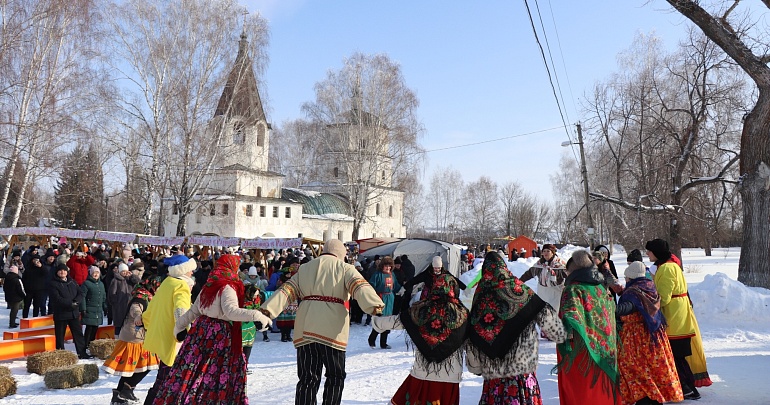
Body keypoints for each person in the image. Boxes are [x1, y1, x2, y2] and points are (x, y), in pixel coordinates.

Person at [260, 239, 384, 405]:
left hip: (306, 328)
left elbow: (286, 291)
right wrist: (374, 305)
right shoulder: (345, 268)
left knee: (307, 378)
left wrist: (268, 310)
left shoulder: (305, 268)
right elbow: (360, 287)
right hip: (332, 331)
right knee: (335, 376)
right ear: (341, 254)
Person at [151, 255, 272, 404]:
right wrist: (257, 315)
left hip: (200, 332)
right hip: (219, 336)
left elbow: (193, 311)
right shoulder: (227, 287)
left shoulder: (209, 285)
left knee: (195, 371)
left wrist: (179, 327)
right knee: (213, 373)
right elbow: (231, 312)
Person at [466, 251, 566, 404]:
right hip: (523, 368)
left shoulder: (481, 297)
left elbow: (474, 335)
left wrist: (475, 366)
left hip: (494, 373)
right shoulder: (521, 290)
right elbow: (549, 320)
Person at [373, 274, 469, 405]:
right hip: (450, 376)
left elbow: (398, 321)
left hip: (423, 372)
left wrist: (377, 321)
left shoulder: (421, 310)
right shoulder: (463, 315)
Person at [645, 238, 711, 399]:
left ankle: (688, 389)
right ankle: (687, 387)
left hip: (674, 320)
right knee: (678, 356)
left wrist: (646, 302)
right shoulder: (671, 265)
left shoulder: (666, 268)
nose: (647, 254)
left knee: (676, 355)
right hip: (680, 317)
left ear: (656, 252)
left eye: (649, 251)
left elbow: (664, 297)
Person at [556, 250, 619, 405]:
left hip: (582, 351)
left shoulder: (573, 289)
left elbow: (570, 317)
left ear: (573, 272)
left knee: (583, 393)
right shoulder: (601, 288)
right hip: (606, 350)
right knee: (603, 392)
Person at [616, 261, 683, 405]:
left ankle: (646, 399)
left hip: (636, 337)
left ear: (632, 277)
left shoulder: (633, 293)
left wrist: (612, 310)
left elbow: (628, 307)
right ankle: (654, 397)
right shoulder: (649, 287)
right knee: (654, 368)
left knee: (635, 369)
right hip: (654, 335)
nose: (626, 280)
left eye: (627, 277)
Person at [142, 254, 197, 404]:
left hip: (161, 336)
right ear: (182, 270)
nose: (192, 272)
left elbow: (153, 305)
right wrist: (182, 329)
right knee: (167, 381)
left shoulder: (168, 282)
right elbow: (181, 309)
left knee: (163, 379)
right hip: (173, 339)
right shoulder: (181, 285)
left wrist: (143, 319)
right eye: (190, 270)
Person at [103, 274, 163, 405]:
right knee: (140, 366)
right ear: (151, 286)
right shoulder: (140, 298)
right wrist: (138, 317)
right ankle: (125, 390)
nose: (158, 289)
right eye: (157, 287)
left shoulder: (149, 296)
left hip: (140, 336)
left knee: (136, 367)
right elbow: (135, 309)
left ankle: (122, 392)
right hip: (135, 337)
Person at [48, 262, 90, 359]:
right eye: (60, 271)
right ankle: (61, 355)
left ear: (67, 272)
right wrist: (70, 304)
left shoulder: (72, 282)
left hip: (73, 313)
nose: (62, 272)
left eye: (64, 270)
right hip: (61, 314)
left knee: (78, 334)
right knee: (60, 336)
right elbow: (56, 298)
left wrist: (76, 302)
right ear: (57, 272)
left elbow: (81, 293)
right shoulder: (53, 284)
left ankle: (82, 353)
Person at [519, 244, 566, 313]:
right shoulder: (539, 264)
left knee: (555, 312)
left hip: (556, 292)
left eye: (548, 251)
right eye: (544, 251)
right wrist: (519, 282)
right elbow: (529, 274)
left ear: (553, 253)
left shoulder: (560, 265)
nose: (546, 253)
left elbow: (569, 275)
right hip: (542, 292)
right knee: (543, 312)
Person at [401, 256, 466, 306]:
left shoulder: (445, 273)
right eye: (435, 268)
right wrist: (404, 287)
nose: (437, 270)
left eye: (439, 268)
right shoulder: (427, 273)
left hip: (442, 297)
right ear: (432, 266)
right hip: (428, 296)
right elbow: (415, 280)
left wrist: (464, 288)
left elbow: (454, 280)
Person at [367, 256, 401, 349]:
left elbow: (396, 285)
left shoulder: (392, 274)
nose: (388, 268)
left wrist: (402, 289)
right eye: (386, 266)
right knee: (379, 319)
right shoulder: (377, 274)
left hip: (390, 299)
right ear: (382, 266)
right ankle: (372, 339)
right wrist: (373, 296)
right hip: (379, 299)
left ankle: (383, 343)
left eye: (390, 266)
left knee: (387, 321)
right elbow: (371, 286)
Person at [81, 266, 107, 352]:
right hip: (89, 309)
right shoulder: (86, 283)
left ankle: (91, 346)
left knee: (95, 329)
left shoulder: (101, 284)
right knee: (89, 329)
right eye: (94, 273)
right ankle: (85, 346)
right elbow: (83, 297)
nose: (95, 275)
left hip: (98, 310)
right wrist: (83, 309)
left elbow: (103, 297)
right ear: (91, 274)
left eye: (97, 273)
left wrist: (105, 307)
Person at [109, 262, 140, 336]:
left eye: (126, 271)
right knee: (119, 325)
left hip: (129, 305)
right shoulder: (115, 280)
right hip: (119, 307)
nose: (125, 273)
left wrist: (132, 275)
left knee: (128, 324)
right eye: (123, 271)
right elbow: (111, 294)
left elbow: (138, 281)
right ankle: (117, 339)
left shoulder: (130, 279)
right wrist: (116, 302)